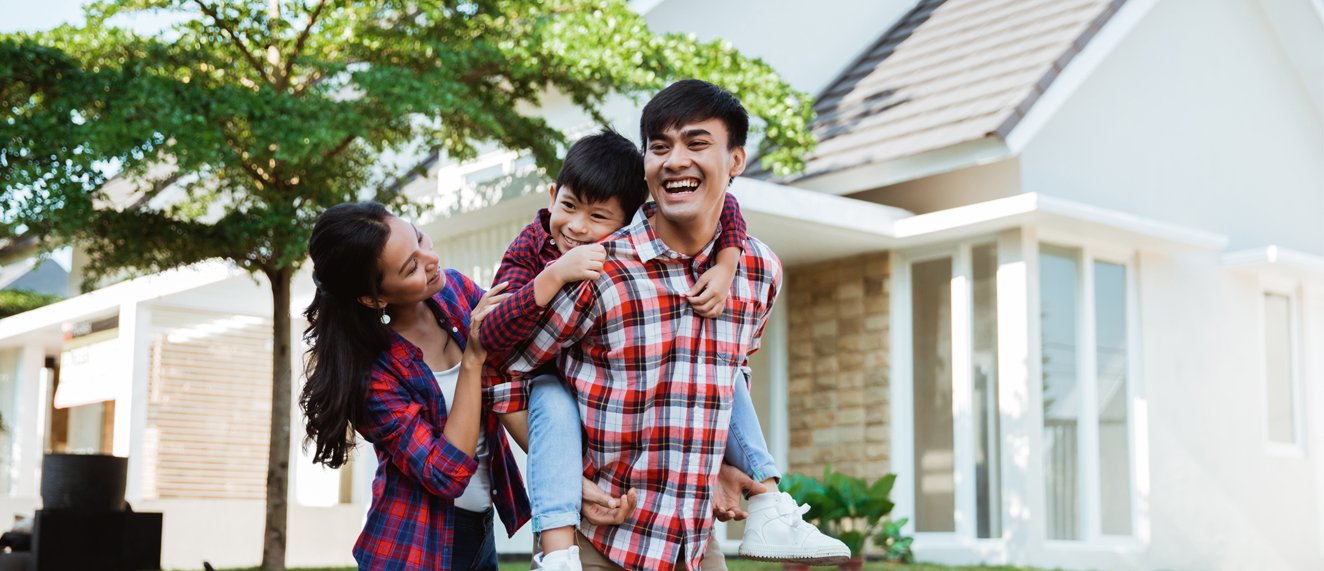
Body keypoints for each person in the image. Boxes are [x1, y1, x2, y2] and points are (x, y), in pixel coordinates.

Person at [487, 80, 849, 571]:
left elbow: (729, 373)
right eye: (660, 147)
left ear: (736, 161)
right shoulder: (595, 267)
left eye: (697, 143)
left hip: (693, 539)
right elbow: (504, 366)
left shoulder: (758, 270)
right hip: (601, 537)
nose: (676, 160)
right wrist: (567, 477)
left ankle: (769, 504)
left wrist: (724, 459)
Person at [298, 202, 531, 571]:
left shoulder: (454, 291)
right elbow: (447, 473)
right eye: (411, 267)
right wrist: (471, 359)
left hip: (481, 531)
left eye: (419, 238)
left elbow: (521, 354)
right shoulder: (371, 375)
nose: (432, 258)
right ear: (373, 298)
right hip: (415, 549)